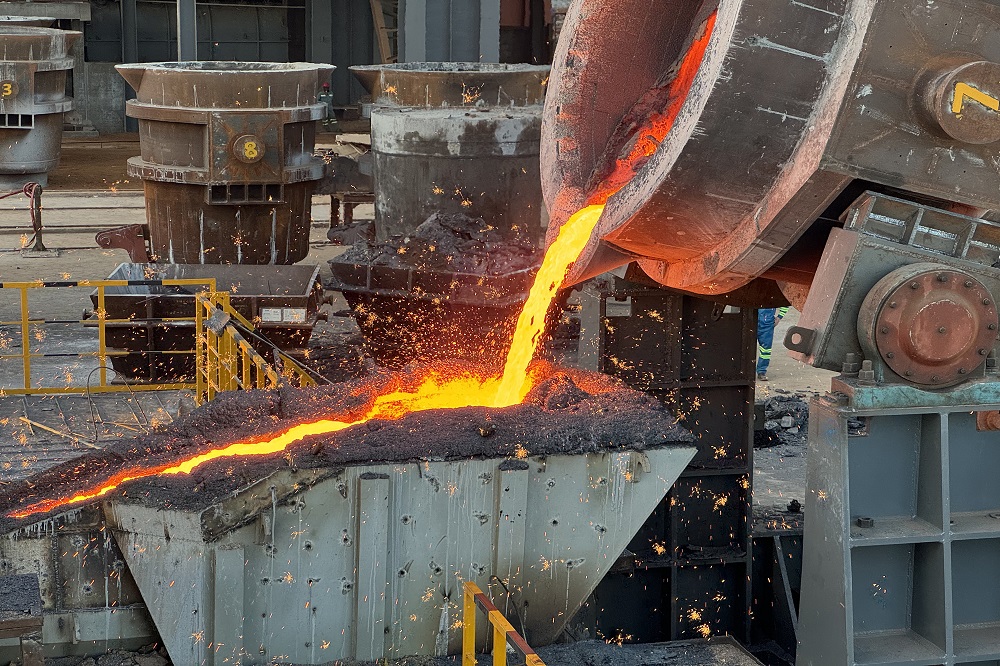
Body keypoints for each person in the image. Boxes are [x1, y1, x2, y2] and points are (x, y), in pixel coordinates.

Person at [756, 306, 789, 381]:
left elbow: (785, 303)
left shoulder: (774, 297)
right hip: (751, 321)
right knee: (747, 347)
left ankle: (761, 372)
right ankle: (745, 372)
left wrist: (779, 317)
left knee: (765, 350)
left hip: (766, 325)